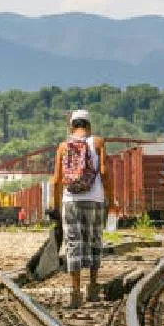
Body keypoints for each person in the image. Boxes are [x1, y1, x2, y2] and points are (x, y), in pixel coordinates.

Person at [51, 110, 112, 309]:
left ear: (71, 127)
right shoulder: (98, 142)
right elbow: (103, 172)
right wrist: (110, 198)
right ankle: (93, 288)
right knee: (94, 240)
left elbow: (57, 180)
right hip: (95, 200)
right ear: (89, 126)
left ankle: (75, 292)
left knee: (73, 244)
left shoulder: (62, 146)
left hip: (71, 201)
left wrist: (56, 204)